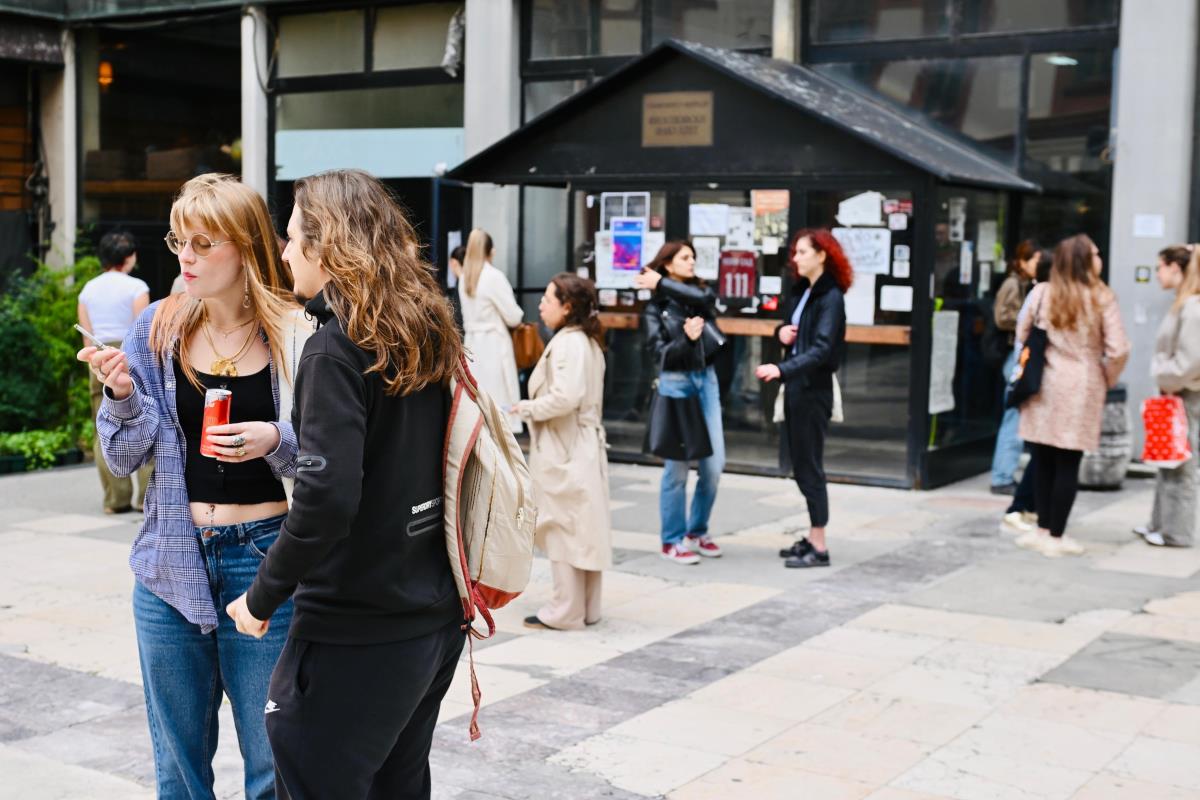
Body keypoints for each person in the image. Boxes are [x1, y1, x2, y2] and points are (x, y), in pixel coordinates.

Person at [225, 169, 466, 800]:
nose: (282, 252)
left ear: (326, 244)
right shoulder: (426, 329)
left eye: (291, 237)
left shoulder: (335, 348)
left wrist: (259, 598)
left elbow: (328, 500)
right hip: (431, 616)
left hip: (355, 627)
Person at [79, 173, 303, 799]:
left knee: (272, 766)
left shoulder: (295, 333)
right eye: (181, 241)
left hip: (267, 562)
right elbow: (124, 458)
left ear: (248, 246)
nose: (186, 256)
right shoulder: (159, 326)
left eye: (205, 243)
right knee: (177, 773)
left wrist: (275, 441)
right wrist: (121, 393)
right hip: (170, 558)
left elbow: (332, 454)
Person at [1015, 235, 1129, 557]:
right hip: (1082, 385)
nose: (1099, 258)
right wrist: (1106, 377)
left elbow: (1022, 334)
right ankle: (1056, 535)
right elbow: (1118, 349)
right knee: (1068, 461)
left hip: (1043, 384)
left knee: (1043, 459)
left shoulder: (1041, 292)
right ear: (1083, 260)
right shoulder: (1101, 297)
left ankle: (1040, 530)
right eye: (1095, 254)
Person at [514, 273, 611, 630]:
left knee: (562, 527)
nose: (541, 304)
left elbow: (565, 398)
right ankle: (586, 607)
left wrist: (525, 408)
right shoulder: (586, 341)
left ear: (567, 307)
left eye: (549, 299)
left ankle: (565, 610)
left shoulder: (569, 344)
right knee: (581, 528)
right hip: (580, 443)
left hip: (566, 445)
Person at [755, 229, 851, 569]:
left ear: (822, 255)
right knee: (801, 465)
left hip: (813, 388)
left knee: (810, 466)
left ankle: (820, 545)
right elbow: (791, 332)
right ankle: (812, 537)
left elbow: (823, 349)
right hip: (798, 385)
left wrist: (782, 369)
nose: (795, 258)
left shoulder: (831, 297)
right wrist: (779, 332)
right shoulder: (805, 293)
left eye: (802, 252)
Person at [635, 241, 725, 565]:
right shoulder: (653, 310)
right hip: (676, 383)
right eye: (684, 258)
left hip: (707, 380)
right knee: (678, 468)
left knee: (714, 467)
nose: (692, 262)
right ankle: (671, 539)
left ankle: (696, 530)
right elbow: (659, 355)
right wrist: (685, 340)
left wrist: (660, 281)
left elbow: (706, 300)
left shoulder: (699, 296)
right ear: (668, 264)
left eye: (693, 258)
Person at [77, 229, 154, 513]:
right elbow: (142, 328)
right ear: (129, 257)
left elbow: (87, 337)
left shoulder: (88, 289)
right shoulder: (137, 287)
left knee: (103, 426)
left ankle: (115, 499)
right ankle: (145, 497)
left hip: (98, 356)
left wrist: (96, 361)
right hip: (128, 352)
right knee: (143, 420)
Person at [1135, 244, 1200, 547]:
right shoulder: (1184, 304)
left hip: (1184, 394)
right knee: (1168, 458)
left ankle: (1177, 531)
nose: (1157, 273)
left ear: (1176, 267)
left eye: (1160, 266)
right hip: (1176, 393)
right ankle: (1161, 525)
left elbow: (1190, 360)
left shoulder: (1192, 307)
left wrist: (1165, 376)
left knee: (1181, 463)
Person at [1001, 251, 1052, 534]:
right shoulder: (1038, 292)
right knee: (1016, 425)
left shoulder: (1039, 291)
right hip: (1028, 368)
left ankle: (1027, 504)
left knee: (1040, 445)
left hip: (1031, 367)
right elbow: (1016, 325)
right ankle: (1006, 482)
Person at [458, 229, 524, 433]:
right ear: (491, 252)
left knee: (479, 403)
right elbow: (514, 316)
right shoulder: (493, 277)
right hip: (493, 345)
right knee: (499, 403)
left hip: (472, 346)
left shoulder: (464, 278)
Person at [989, 239, 1040, 495]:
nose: (1037, 266)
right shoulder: (1013, 284)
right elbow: (1002, 317)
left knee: (1016, 414)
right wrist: (1028, 316)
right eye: (1034, 261)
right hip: (1012, 355)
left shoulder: (1029, 284)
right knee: (1014, 414)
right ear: (1022, 261)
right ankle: (1001, 476)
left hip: (1019, 354)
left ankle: (1004, 473)